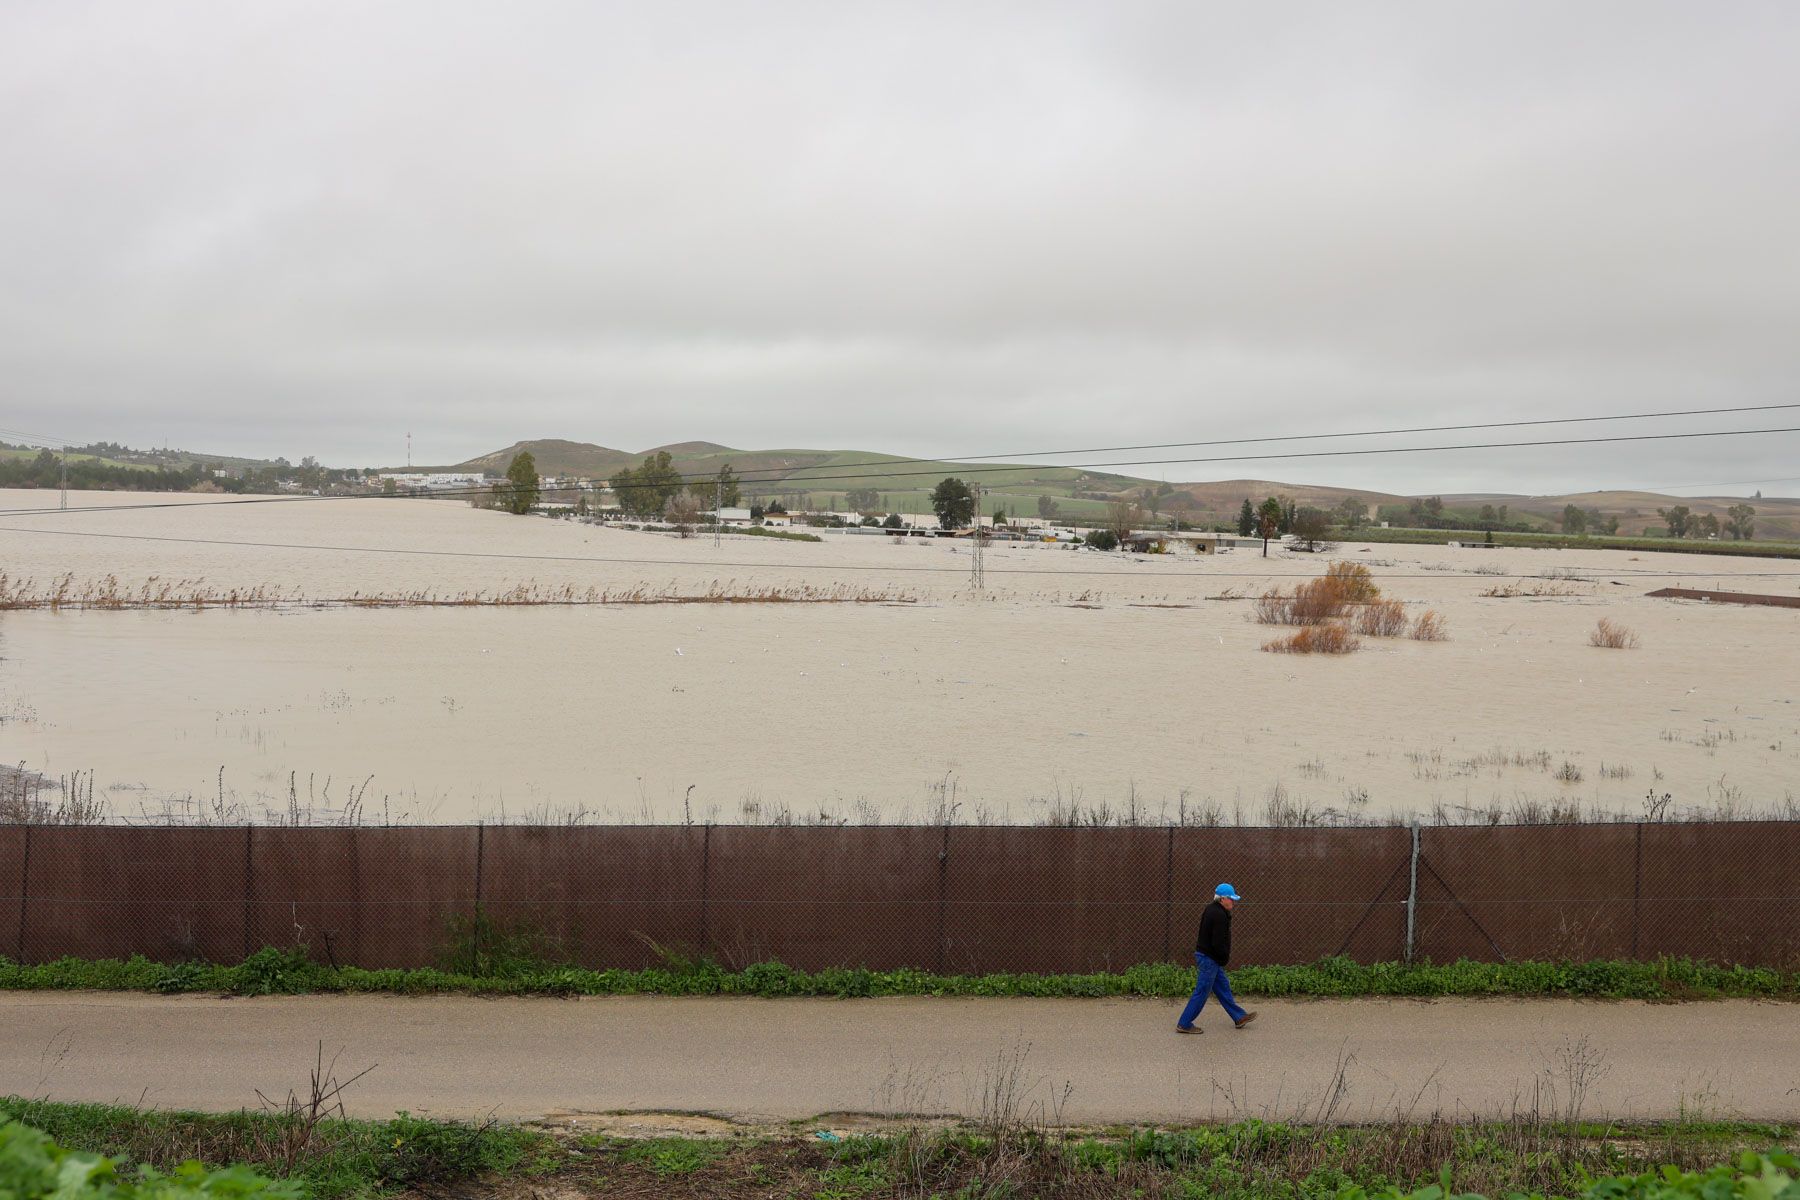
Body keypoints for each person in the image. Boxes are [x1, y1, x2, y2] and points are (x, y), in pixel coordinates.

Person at [1175, 883, 1257, 1034]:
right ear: (1223, 899)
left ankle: (1239, 1017)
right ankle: (1184, 1023)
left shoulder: (1212, 909)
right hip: (1209, 959)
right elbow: (1218, 942)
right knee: (1202, 992)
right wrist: (1223, 958)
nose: (1233, 902)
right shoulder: (1219, 915)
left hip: (1209, 957)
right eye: (1231, 899)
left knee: (1223, 986)